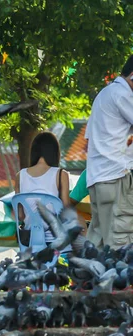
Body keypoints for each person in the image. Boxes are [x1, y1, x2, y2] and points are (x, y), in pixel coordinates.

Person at [85, 55, 133, 247]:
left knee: (98, 242)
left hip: (98, 179)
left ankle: (87, 278)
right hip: (117, 179)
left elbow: (88, 138)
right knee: (120, 243)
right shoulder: (123, 95)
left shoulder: (104, 95)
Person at [14, 131, 69, 243]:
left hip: (29, 239)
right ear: (55, 152)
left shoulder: (20, 175)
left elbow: (20, 215)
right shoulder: (60, 174)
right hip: (55, 240)